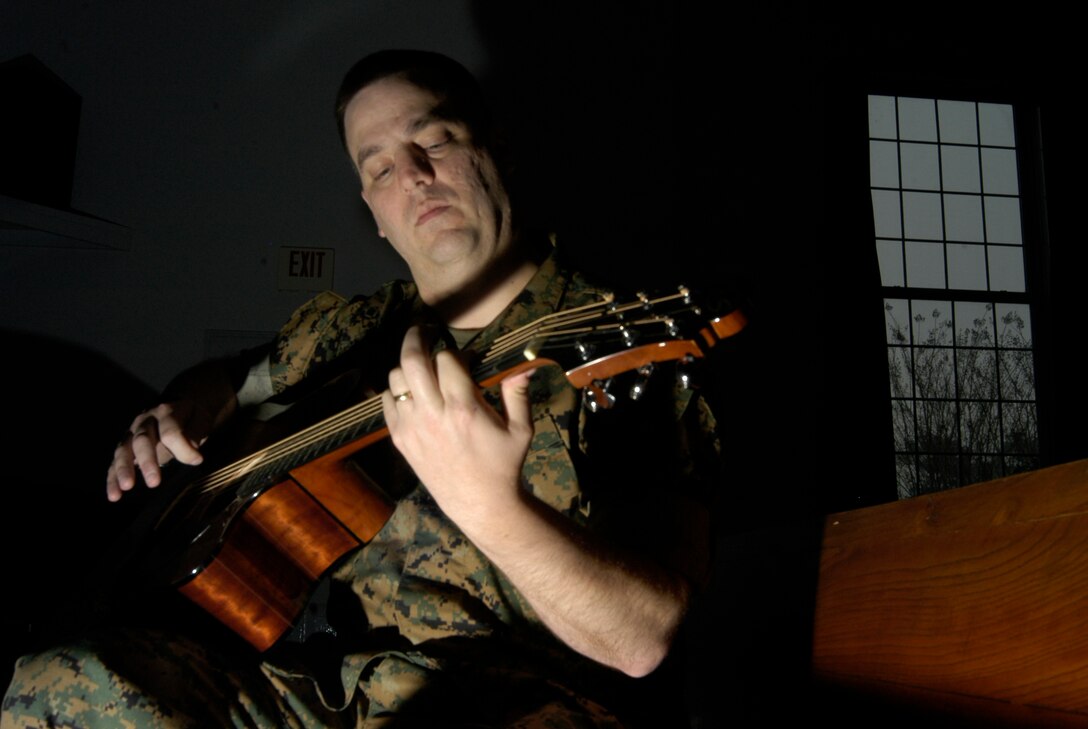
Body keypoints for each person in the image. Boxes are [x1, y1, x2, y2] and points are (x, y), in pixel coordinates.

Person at [2, 49, 723, 728]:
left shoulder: (618, 343)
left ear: (496, 151)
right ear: (373, 216)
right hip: (308, 690)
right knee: (53, 685)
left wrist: (490, 506)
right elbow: (230, 379)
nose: (409, 176)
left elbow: (643, 636)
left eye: (434, 141)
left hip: (505, 699)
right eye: (377, 168)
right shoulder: (348, 330)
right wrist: (187, 407)